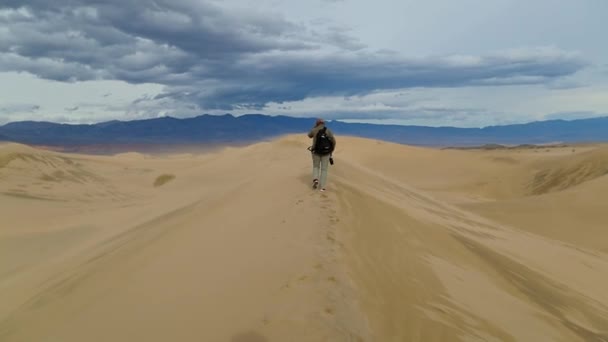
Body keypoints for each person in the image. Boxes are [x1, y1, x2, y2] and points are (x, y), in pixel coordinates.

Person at [307, 118, 336, 191]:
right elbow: (333, 141)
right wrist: (331, 150)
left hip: (316, 152)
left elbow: (309, 135)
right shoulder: (328, 130)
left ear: (317, 123)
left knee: (316, 167)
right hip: (326, 153)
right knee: (324, 169)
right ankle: (322, 187)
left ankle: (315, 179)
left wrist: (314, 127)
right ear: (324, 123)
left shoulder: (314, 130)